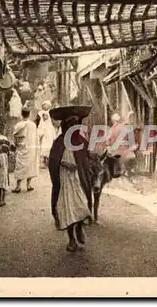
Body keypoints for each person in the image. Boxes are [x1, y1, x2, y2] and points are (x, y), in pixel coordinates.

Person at [48, 106, 93, 252]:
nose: (73, 126)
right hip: (65, 182)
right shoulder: (59, 142)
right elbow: (53, 161)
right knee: (68, 208)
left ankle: (79, 228)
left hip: (78, 181)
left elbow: (87, 157)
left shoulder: (82, 141)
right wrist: (64, 163)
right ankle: (71, 239)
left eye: (75, 123)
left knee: (81, 206)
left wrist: (92, 158)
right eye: (70, 124)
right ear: (65, 126)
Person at [12, 106, 39, 193]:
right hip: (30, 147)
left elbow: (15, 136)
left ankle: (18, 186)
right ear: (29, 114)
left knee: (20, 165)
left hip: (22, 147)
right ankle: (28, 185)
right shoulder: (33, 125)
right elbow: (36, 137)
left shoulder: (19, 125)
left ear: (21, 114)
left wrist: (16, 145)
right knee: (29, 165)